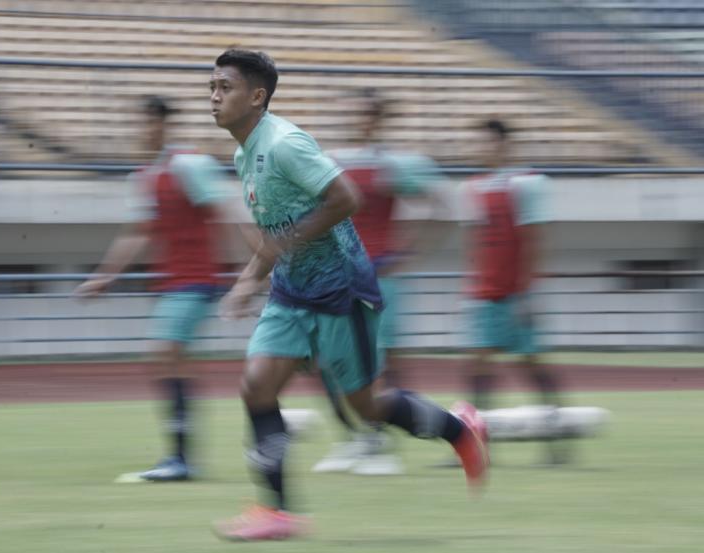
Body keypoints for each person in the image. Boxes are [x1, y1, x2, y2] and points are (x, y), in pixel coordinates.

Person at [208, 49, 488, 541]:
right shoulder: (243, 154)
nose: (213, 97)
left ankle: (458, 428)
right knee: (256, 386)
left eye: (224, 87)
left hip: (341, 290)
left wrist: (277, 250)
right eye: (211, 87)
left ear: (257, 96)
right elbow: (278, 230)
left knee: (369, 407)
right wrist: (250, 277)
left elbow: (346, 198)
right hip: (293, 293)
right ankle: (277, 512)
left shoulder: (286, 143)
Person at [75, 96, 230, 481]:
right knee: (168, 362)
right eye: (137, 124)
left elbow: (223, 214)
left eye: (145, 123)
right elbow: (139, 231)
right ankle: (180, 458)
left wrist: (241, 272)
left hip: (197, 279)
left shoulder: (189, 165)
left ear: (162, 124)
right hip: (173, 281)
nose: (139, 131)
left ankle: (181, 459)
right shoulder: (144, 176)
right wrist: (105, 275)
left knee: (165, 355)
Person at [315, 88, 448, 476]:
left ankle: (379, 443)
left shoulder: (396, 164)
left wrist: (409, 253)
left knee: (375, 362)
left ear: (379, 118)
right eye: (356, 113)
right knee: (324, 360)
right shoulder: (331, 160)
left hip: (376, 275)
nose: (362, 120)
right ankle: (355, 437)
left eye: (369, 114)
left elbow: (443, 206)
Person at [459, 118, 567, 464]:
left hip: (516, 295)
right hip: (485, 293)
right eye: (478, 142)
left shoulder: (528, 183)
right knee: (477, 367)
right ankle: (476, 444)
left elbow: (534, 241)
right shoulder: (473, 187)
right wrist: (471, 286)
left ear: (505, 144)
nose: (481, 149)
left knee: (531, 366)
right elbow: (477, 243)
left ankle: (556, 445)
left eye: (488, 142)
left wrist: (527, 293)